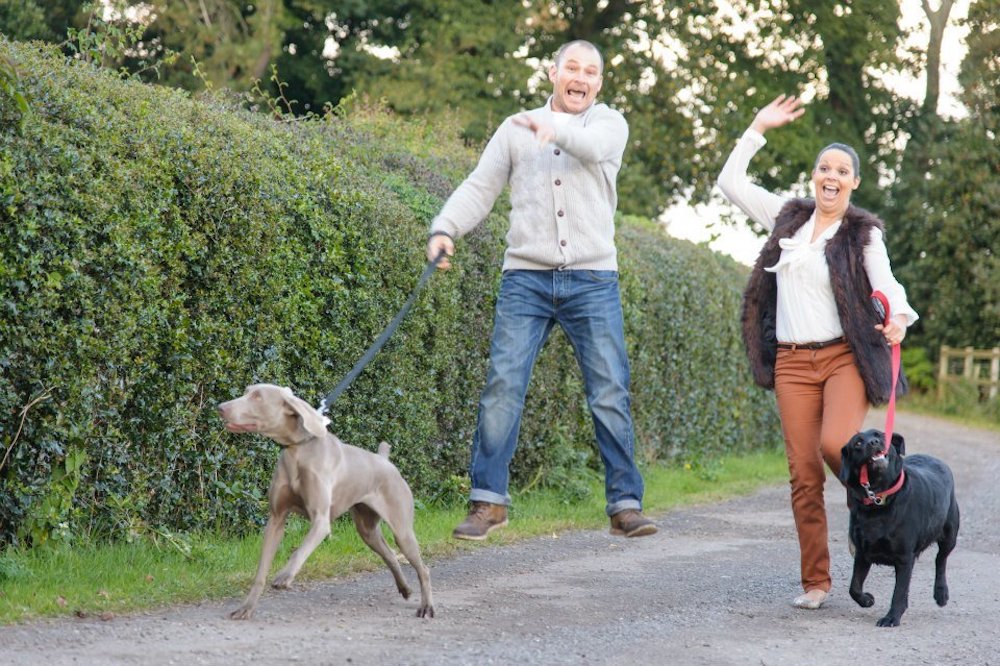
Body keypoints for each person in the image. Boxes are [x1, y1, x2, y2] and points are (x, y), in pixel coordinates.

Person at [425, 40, 656, 541]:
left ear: (598, 83)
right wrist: (444, 228)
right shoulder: (515, 127)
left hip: (593, 279)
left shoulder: (609, 125)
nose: (580, 77)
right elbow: (479, 188)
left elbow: (590, 148)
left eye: (590, 71)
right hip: (525, 279)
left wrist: (556, 131)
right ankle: (488, 503)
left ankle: (625, 504)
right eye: (571, 67)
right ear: (553, 74)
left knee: (609, 393)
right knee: (502, 389)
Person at [717, 94, 917, 610]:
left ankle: (872, 509)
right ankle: (817, 582)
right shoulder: (788, 220)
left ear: (853, 183)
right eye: (824, 168)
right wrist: (758, 125)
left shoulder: (862, 233)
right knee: (803, 473)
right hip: (791, 362)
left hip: (842, 358)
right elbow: (730, 184)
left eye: (842, 170)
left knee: (837, 446)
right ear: (815, 176)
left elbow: (886, 283)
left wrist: (896, 318)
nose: (832, 176)